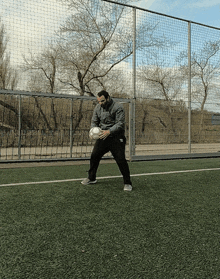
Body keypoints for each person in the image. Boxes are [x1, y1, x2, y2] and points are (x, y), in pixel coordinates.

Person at [81, 90, 132, 191]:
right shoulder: (97, 107)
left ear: (108, 98)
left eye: (102, 101)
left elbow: (120, 123)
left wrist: (109, 131)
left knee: (121, 160)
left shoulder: (118, 107)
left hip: (116, 137)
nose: (100, 103)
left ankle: (127, 183)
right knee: (94, 156)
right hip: (103, 136)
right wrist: (93, 130)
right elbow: (94, 122)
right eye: (99, 101)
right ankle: (91, 178)